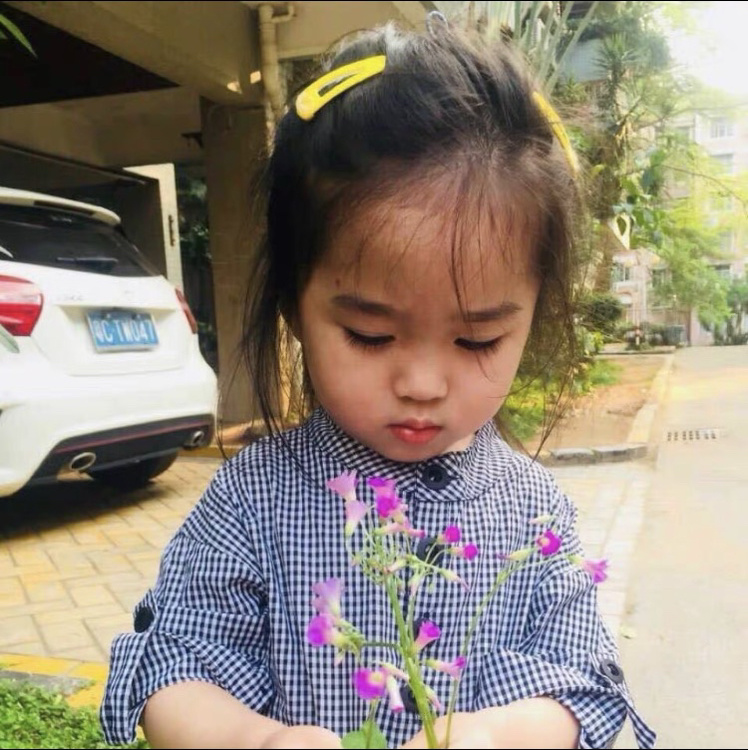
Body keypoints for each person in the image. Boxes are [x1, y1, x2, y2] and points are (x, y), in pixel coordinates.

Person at [100, 17, 655, 750]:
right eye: (369, 334)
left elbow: (581, 684)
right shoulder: (252, 502)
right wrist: (256, 741)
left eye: (477, 340)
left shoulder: (534, 514)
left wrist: (496, 736)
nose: (422, 384)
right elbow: (173, 664)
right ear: (295, 305)